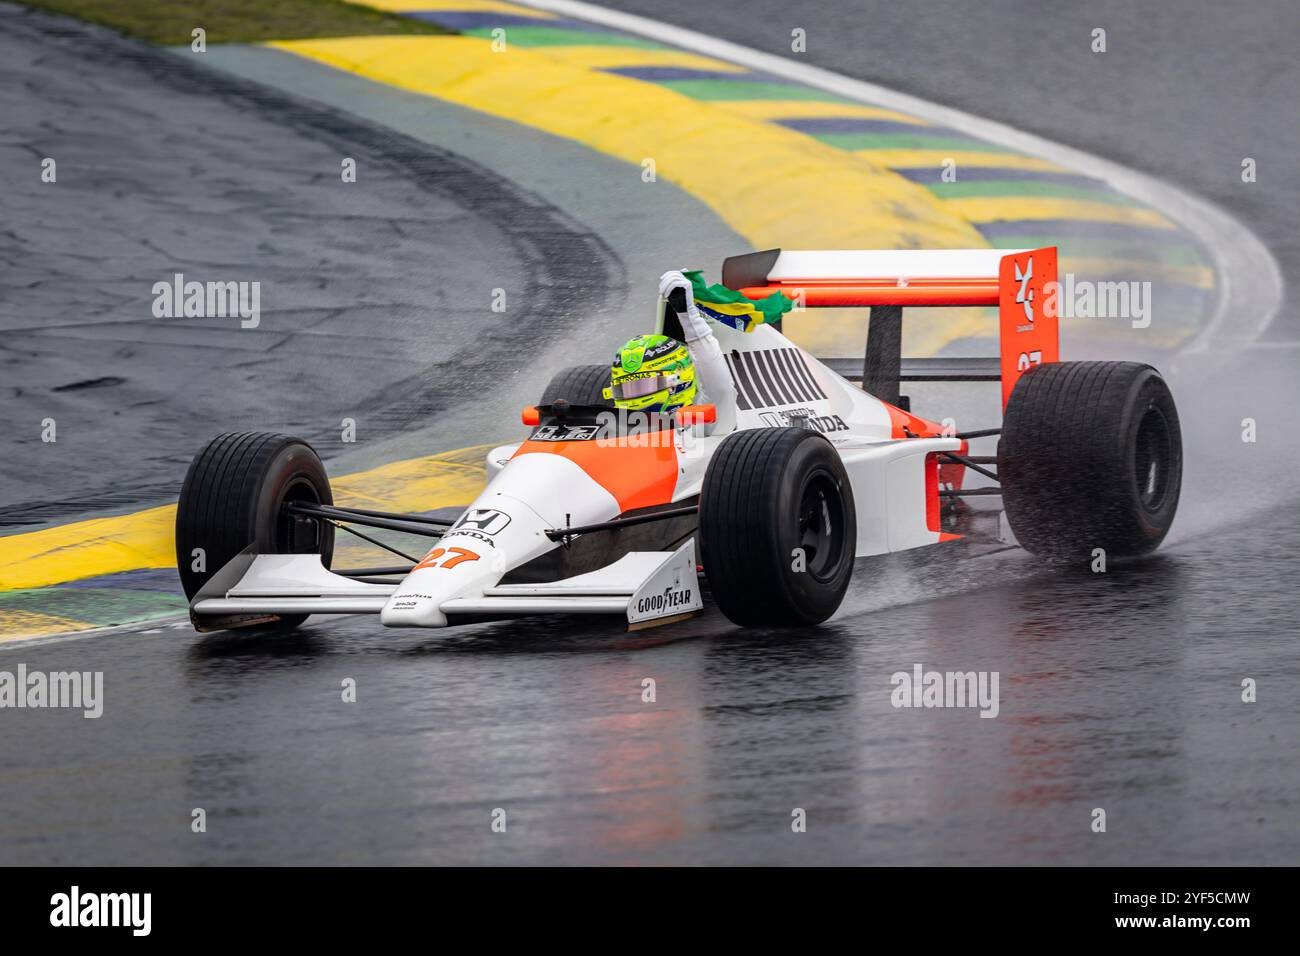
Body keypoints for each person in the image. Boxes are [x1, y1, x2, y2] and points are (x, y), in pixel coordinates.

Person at [603, 270, 739, 432]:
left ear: (680, 380)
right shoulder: (612, 433)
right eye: (625, 389)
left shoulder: (703, 427)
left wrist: (689, 317)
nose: (635, 399)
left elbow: (720, 390)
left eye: (645, 386)